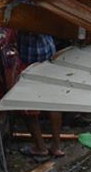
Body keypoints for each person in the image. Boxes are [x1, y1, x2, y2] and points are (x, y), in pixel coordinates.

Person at [17, 31, 64, 159]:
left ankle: (40, 147)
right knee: (53, 102)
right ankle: (56, 146)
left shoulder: (24, 12)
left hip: (31, 58)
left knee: (28, 106)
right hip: (48, 52)